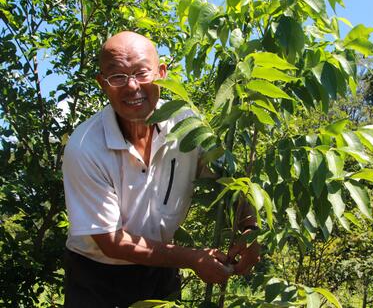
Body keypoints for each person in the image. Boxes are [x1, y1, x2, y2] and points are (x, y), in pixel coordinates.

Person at [62, 31, 259, 308]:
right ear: (102, 84)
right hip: (97, 280)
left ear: (162, 73)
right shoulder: (85, 147)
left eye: (142, 72)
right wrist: (191, 258)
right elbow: (111, 242)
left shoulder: (186, 123)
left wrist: (250, 228)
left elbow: (230, 177)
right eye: (117, 76)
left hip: (162, 266)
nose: (132, 87)